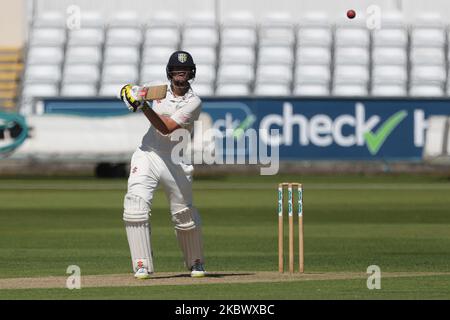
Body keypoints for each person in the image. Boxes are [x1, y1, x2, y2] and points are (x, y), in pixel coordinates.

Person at [119, 51, 205, 279]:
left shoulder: (194, 102)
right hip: (148, 153)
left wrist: (143, 107)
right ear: (169, 72)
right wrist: (127, 93)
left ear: (191, 73)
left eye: (185, 70)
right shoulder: (155, 91)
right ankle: (141, 264)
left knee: (184, 214)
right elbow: (131, 92)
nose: (181, 73)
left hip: (175, 158)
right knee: (135, 205)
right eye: (177, 69)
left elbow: (166, 127)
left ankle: (195, 262)